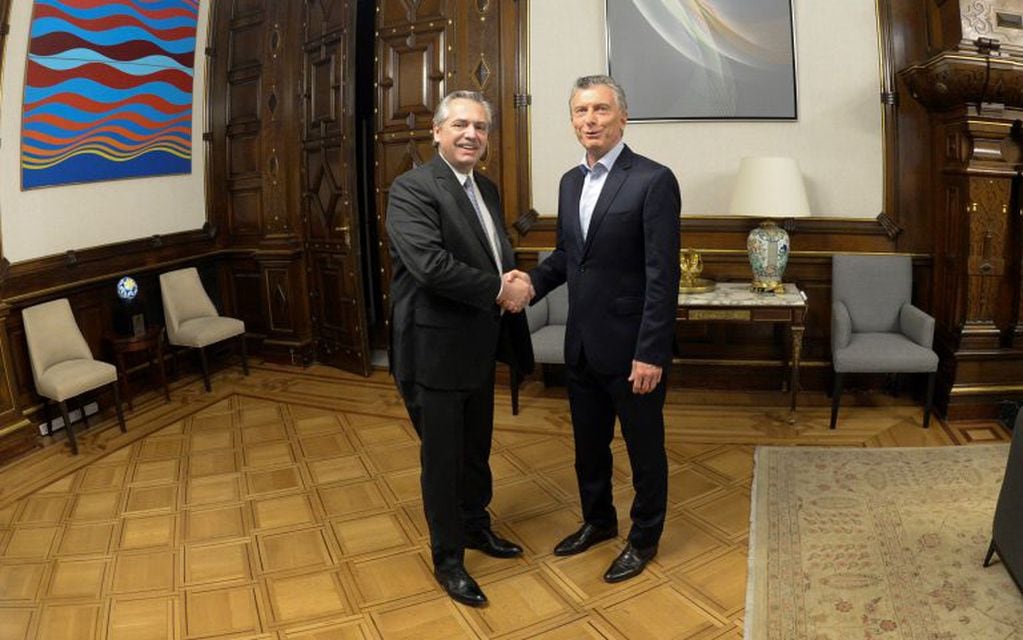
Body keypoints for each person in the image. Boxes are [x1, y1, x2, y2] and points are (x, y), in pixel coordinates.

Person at [528, 75, 681, 582]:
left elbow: (663, 275)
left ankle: (643, 539)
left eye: (599, 110)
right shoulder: (570, 182)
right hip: (582, 346)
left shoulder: (653, 180)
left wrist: (651, 352)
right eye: (579, 112)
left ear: (622, 117)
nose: (588, 120)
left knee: (644, 451)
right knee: (587, 448)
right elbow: (569, 256)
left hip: (633, 349)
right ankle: (598, 522)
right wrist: (527, 285)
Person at [386, 90, 534, 607]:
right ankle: (448, 559)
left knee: (475, 452)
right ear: (437, 132)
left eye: (481, 127)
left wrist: (508, 272)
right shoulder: (411, 188)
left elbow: (488, 250)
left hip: (477, 347)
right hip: (433, 352)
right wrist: (501, 289)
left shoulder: (485, 188)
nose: (472, 134)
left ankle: (476, 527)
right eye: (461, 125)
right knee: (444, 461)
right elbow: (429, 266)